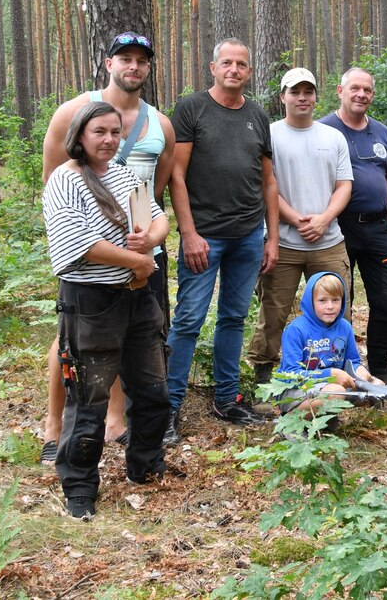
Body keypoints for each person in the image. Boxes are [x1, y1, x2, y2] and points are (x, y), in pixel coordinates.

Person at [39, 31, 174, 462]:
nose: (133, 66)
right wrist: (124, 251)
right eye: (125, 59)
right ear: (108, 62)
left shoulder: (159, 124)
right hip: (92, 264)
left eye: (141, 60)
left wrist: (150, 240)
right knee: (75, 344)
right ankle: (55, 425)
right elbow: (54, 182)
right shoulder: (71, 111)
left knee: (138, 341)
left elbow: (160, 192)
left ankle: (121, 421)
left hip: (140, 253)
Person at [165, 38, 280, 444]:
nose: (234, 69)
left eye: (242, 64)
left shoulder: (257, 115)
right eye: (227, 63)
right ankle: (169, 408)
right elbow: (176, 175)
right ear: (212, 67)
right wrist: (189, 233)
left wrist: (271, 237)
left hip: (248, 236)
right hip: (205, 238)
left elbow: (268, 181)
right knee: (189, 320)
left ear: (250, 71)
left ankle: (227, 398)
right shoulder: (192, 109)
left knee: (234, 318)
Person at [244, 68, 353, 386]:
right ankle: (265, 377)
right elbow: (266, 184)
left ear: (317, 96)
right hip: (284, 242)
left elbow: (344, 184)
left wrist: (323, 219)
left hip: (329, 241)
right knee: (273, 312)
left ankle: (341, 376)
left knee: (337, 310)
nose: (302, 97)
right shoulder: (271, 135)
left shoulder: (332, 137)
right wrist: (294, 218)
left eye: (308, 91)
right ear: (283, 97)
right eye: (295, 92)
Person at [319, 68, 387, 381]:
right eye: (355, 88)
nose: (361, 95)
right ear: (340, 91)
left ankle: (380, 366)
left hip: (379, 227)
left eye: (367, 90)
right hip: (338, 228)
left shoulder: (382, 132)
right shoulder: (324, 129)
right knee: (338, 299)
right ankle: (340, 371)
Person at [276, 272, 384, 415]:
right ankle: (291, 421)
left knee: (378, 386)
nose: (330, 306)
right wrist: (329, 374)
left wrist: (360, 372)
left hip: (332, 385)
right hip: (295, 389)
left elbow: (352, 361)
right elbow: (290, 374)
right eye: (322, 300)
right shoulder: (296, 329)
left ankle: (326, 419)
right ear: (310, 301)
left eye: (335, 300)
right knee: (336, 392)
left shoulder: (344, 326)